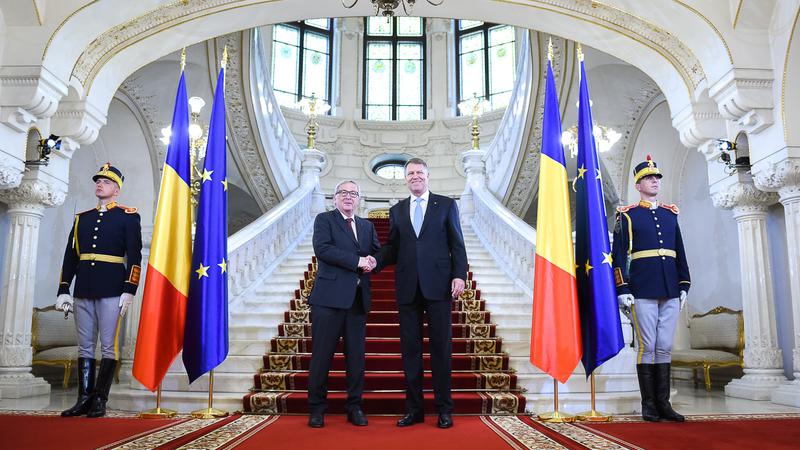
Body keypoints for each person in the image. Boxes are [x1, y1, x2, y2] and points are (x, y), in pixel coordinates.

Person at [377, 157, 467, 429]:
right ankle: (414, 409)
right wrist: (374, 261)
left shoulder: (447, 205)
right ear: (405, 179)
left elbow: (457, 244)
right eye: (410, 173)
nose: (415, 176)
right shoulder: (398, 210)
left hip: (439, 286)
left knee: (441, 349)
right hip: (407, 288)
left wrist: (459, 275)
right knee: (410, 352)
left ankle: (444, 409)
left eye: (419, 172)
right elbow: (392, 247)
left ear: (428, 176)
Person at [55, 163, 142, 418]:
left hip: (112, 289)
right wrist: (63, 289)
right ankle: (83, 399)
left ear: (116, 189)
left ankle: (100, 399)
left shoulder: (128, 216)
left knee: (107, 347)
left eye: (105, 181)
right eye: (98, 180)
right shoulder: (83, 218)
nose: (99, 184)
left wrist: (130, 288)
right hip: (84, 287)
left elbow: (135, 255)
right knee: (84, 346)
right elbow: (71, 256)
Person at [612, 155, 690, 423]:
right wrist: (622, 287)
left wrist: (683, 283)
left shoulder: (670, 215)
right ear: (638, 184)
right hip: (642, 287)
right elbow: (619, 254)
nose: (654, 181)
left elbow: (679, 250)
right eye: (648, 178)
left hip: (669, 286)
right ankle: (649, 405)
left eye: (657, 177)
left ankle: (664, 404)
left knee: (665, 346)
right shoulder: (628, 215)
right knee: (648, 345)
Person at [306, 180, 380, 428]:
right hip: (327, 300)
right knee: (322, 357)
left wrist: (374, 261)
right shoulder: (324, 220)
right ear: (335, 198)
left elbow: (377, 252)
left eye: (353, 193)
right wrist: (359, 261)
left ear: (359, 199)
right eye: (343, 193)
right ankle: (317, 409)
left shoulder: (367, 226)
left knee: (356, 359)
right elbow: (323, 250)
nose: (348, 197)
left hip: (357, 302)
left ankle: (354, 406)